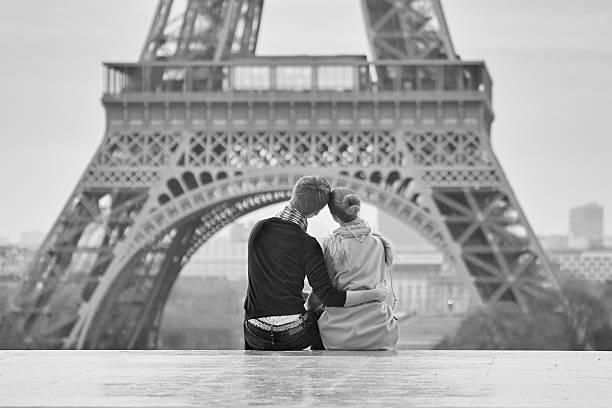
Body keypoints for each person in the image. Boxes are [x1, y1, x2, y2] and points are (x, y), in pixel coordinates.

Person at [243, 176, 387, 351]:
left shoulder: (259, 229)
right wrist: (375, 294)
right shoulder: (308, 244)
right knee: (324, 317)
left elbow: (270, 283)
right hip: (293, 335)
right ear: (315, 213)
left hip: (255, 333)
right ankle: (321, 374)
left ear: (293, 195)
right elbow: (330, 297)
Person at [307, 187, 399, 350]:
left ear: (334, 215)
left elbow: (323, 293)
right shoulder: (379, 244)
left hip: (340, 332)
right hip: (379, 330)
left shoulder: (334, 246)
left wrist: (308, 304)